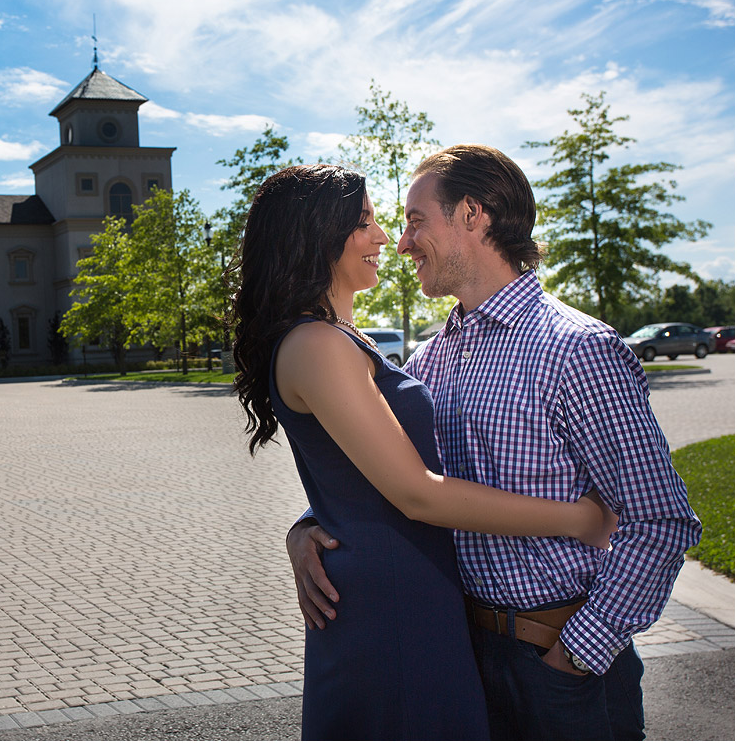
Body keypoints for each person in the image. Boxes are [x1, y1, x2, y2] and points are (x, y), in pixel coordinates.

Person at [286, 145, 702, 740]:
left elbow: (660, 520)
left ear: (473, 215)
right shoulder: (430, 359)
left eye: (415, 219)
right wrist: (306, 527)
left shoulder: (578, 350)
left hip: (560, 665)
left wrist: (578, 653)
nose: (401, 242)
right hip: (458, 659)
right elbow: (395, 471)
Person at [232, 163, 617, 740]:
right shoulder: (317, 344)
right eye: (365, 220)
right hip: (392, 602)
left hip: (424, 596)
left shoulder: (351, 343)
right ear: (316, 234)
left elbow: (369, 463)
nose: (388, 236)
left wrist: (308, 524)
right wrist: (579, 518)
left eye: (403, 220)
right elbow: (415, 490)